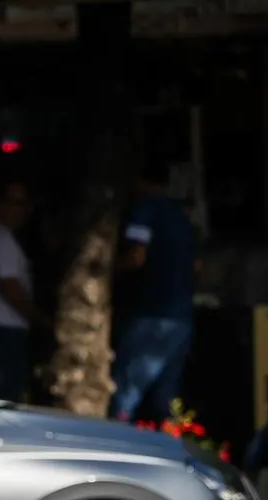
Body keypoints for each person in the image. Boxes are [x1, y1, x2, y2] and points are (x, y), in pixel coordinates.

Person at [109, 159, 198, 423]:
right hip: (181, 318)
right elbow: (198, 265)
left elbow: (137, 257)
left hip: (152, 312)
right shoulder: (181, 217)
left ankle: (114, 447)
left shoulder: (144, 211)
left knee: (126, 393)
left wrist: (106, 271)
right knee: (166, 399)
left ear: (139, 181)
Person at [0, 181, 49, 403]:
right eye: (16, 203)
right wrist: (39, 319)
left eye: (25, 204)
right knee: (7, 398)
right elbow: (10, 287)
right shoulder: (2, 239)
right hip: (4, 329)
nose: (22, 210)